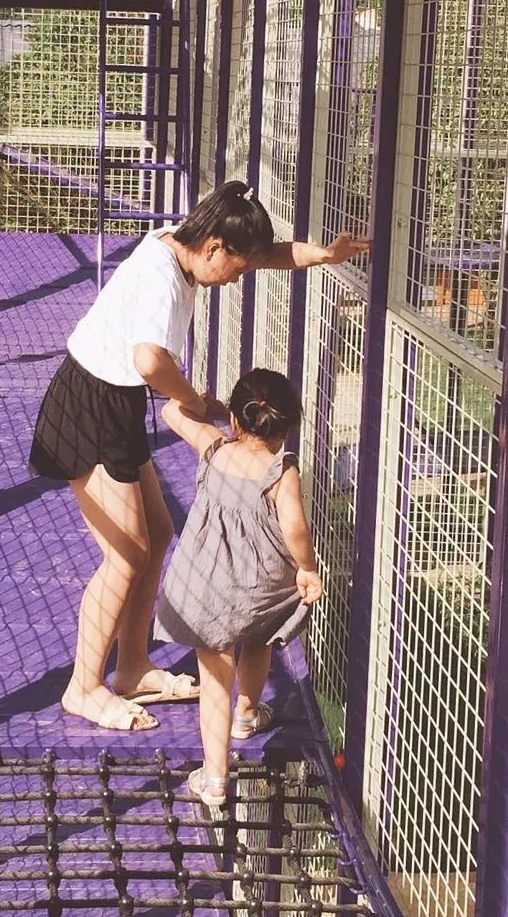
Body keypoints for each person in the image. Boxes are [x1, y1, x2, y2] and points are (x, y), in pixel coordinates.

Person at [29, 181, 365, 732]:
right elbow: (149, 361)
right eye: (236, 268)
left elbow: (268, 255)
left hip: (115, 401)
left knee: (158, 533)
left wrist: (322, 255)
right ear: (214, 248)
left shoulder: (187, 240)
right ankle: (83, 687)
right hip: (90, 404)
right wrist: (192, 400)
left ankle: (132, 667)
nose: (237, 277)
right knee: (126, 554)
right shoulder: (163, 278)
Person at [153, 368, 322, 809]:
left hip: (207, 585)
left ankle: (214, 779)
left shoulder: (214, 446)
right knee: (260, 637)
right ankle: (246, 714)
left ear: (236, 419)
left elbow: (171, 412)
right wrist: (307, 569)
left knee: (214, 679)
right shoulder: (282, 471)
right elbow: (295, 528)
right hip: (259, 585)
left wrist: (206, 406)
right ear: (286, 427)